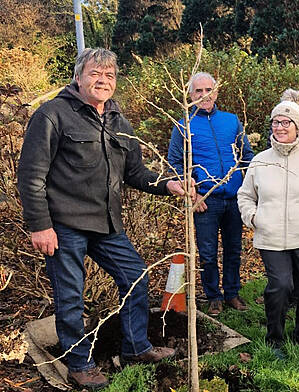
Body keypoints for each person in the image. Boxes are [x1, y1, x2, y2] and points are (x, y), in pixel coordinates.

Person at [17, 48, 185, 390]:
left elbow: (135, 172)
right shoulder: (52, 115)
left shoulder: (118, 122)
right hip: (64, 225)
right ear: (79, 77)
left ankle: (136, 347)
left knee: (136, 277)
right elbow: (31, 176)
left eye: (110, 76)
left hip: (106, 225)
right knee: (70, 297)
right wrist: (40, 225)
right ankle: (80, 365)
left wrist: (168, 184)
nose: (103, 81)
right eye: (96, 74)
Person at [237, 89, 299, 353]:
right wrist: (254, 217)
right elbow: (245, 195)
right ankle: (275, 338)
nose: (280, 127)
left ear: (297, 126)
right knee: (280, 286)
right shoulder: (260, 161)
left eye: (286, 122)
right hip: (271, 237)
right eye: (276, 122)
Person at [167, 72, 255, 317]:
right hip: (205, 200)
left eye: (209, 90)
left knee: (233, 249)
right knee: (207, 253)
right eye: (198, 91)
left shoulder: (231, 121)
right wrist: (192, 196)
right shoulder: (183, 125)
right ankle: (213, 297)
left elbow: (246, 156)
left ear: (216, 93)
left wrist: (252, 188)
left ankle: (232, 293)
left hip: (234, 198)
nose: (204, 95)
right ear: (190, 95)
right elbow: (175, 164)